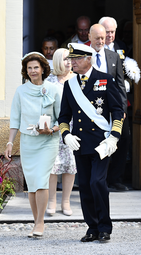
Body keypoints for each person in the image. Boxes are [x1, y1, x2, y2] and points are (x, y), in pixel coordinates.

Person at [58, 43, 124, 243]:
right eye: (71, 59)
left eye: (76, 59)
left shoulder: (105, 79)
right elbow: (63, 115)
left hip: (102, 143)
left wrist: (114, 136)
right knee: (85, 186)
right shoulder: (70, 85)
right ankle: (92, 228)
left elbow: (118, 111)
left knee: (97, 182)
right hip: (80, 143)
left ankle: (105, 227)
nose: (72, 63)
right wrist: (66, 134)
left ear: (89, 59)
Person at [5, 52, 62, 238]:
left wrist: (52, 130)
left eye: (36, 67)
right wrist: (10, 142)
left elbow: (62, 119)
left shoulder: (54, 89)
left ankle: (40, 223)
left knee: (41, 179)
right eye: (29, 68)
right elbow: (15, 118)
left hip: (48, 142)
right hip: (28, 142)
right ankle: (36, 221)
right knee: (31, 184)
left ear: (43, 68)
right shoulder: (20, 91)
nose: (32, 71)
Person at [89, 24, 130, 192]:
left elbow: (120, 85)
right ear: (90, 38)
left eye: (103, 37)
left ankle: (115, 178)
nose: (101, 40)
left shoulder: (113, 57)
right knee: (95, 141)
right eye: (97, 38)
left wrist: (122, 110)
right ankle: (97, 181)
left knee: (122, 138)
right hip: (91, 107)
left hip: (113, 107)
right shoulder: (83, 55)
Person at [45, 48, 77, 216]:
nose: (69, 62)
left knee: (70, 166)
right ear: (57, 61)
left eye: (71, 59)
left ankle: (66, 202)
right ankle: (51, 201)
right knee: (53, 167)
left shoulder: (77, 79)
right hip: (54, 129)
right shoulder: (49, 81)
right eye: (65, 59)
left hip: (72, 130)